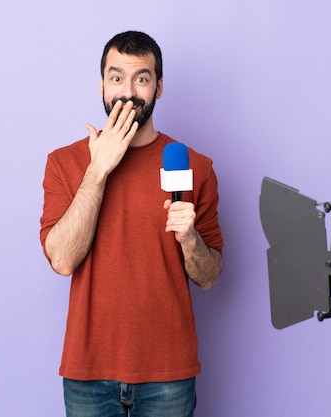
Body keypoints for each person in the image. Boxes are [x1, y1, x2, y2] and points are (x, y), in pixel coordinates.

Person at [39, 30, 224, 417]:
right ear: (102, 84)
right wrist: (98, 170)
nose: (127, 90)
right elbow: (62, 260)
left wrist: (189, 239)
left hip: (168, 375)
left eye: (141, 78)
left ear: (158, 88)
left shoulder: (195, 166)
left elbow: (209, 277)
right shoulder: (64, 163)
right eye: (116, 77)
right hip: (88, 373)